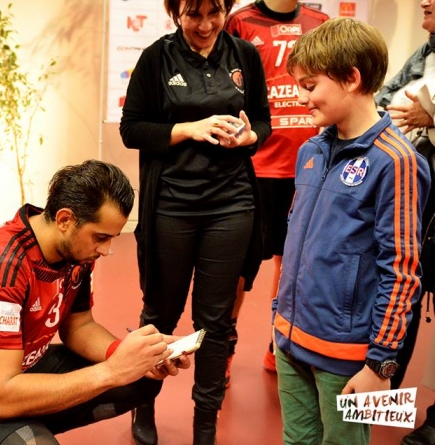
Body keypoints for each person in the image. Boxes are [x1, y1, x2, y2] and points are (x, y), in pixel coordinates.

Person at [0, 160, 191, 445]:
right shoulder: (1, 267)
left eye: (112, 238)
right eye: (100, 237)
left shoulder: (76, 255)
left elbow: (79, 326)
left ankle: (21, 428)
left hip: (19, 366)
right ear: (65, 220)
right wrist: (112, 371)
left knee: (140, 378)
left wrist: (126, 354)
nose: (106, 250)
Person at [273, 17, 431, 445]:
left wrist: (380, 363)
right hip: (288, 336)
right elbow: (299, 239)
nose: (301, 97)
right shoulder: (310, 149)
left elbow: (400, 269)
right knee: (296, 440)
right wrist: (279, 317)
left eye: (310, 85)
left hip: (346, 356)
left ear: (351, 78)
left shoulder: (396, 161)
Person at [119, 0, 272, 442]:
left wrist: (250, 137)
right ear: (174, 12)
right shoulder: (157, 57)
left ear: (226, 10)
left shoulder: (244, 55)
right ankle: (141, 406)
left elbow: (263, 120)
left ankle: (204, 425)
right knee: (161, 314)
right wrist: (189, 128)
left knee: (216, 321)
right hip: (172, 205)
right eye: (193, 14)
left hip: (232, 204)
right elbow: (132, 129)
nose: (204, 25)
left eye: (214, 12)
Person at [224, 0, 329, 377]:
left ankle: (279, 347)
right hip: (253, 169)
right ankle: (224, 348)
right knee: (239, 267)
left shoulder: (320, 22)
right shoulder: (240, 21)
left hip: (309, 170)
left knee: (295, 267)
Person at [376, 0, 435, 391]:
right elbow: (384, 97)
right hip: (419, 187)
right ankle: (384, 388)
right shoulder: (427, 49)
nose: (423, 1)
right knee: (403, 289)